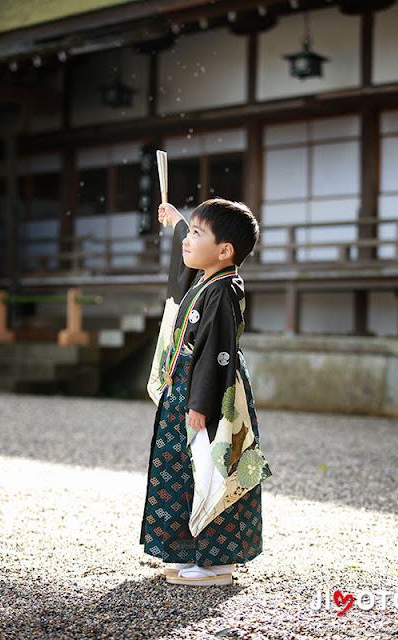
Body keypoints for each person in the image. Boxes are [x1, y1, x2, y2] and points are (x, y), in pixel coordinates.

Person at [140, 198, 272, 586]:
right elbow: (184, 268)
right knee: (184, 469)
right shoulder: (208, 278)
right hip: (189, 383)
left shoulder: (224, 288)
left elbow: (216, 349)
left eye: (197, 233)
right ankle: (187, 550)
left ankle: (219, 563)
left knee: (215, 468)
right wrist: (180, 223)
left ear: (225, 250)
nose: (187, 240)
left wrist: (201, 405)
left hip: (212, 389)